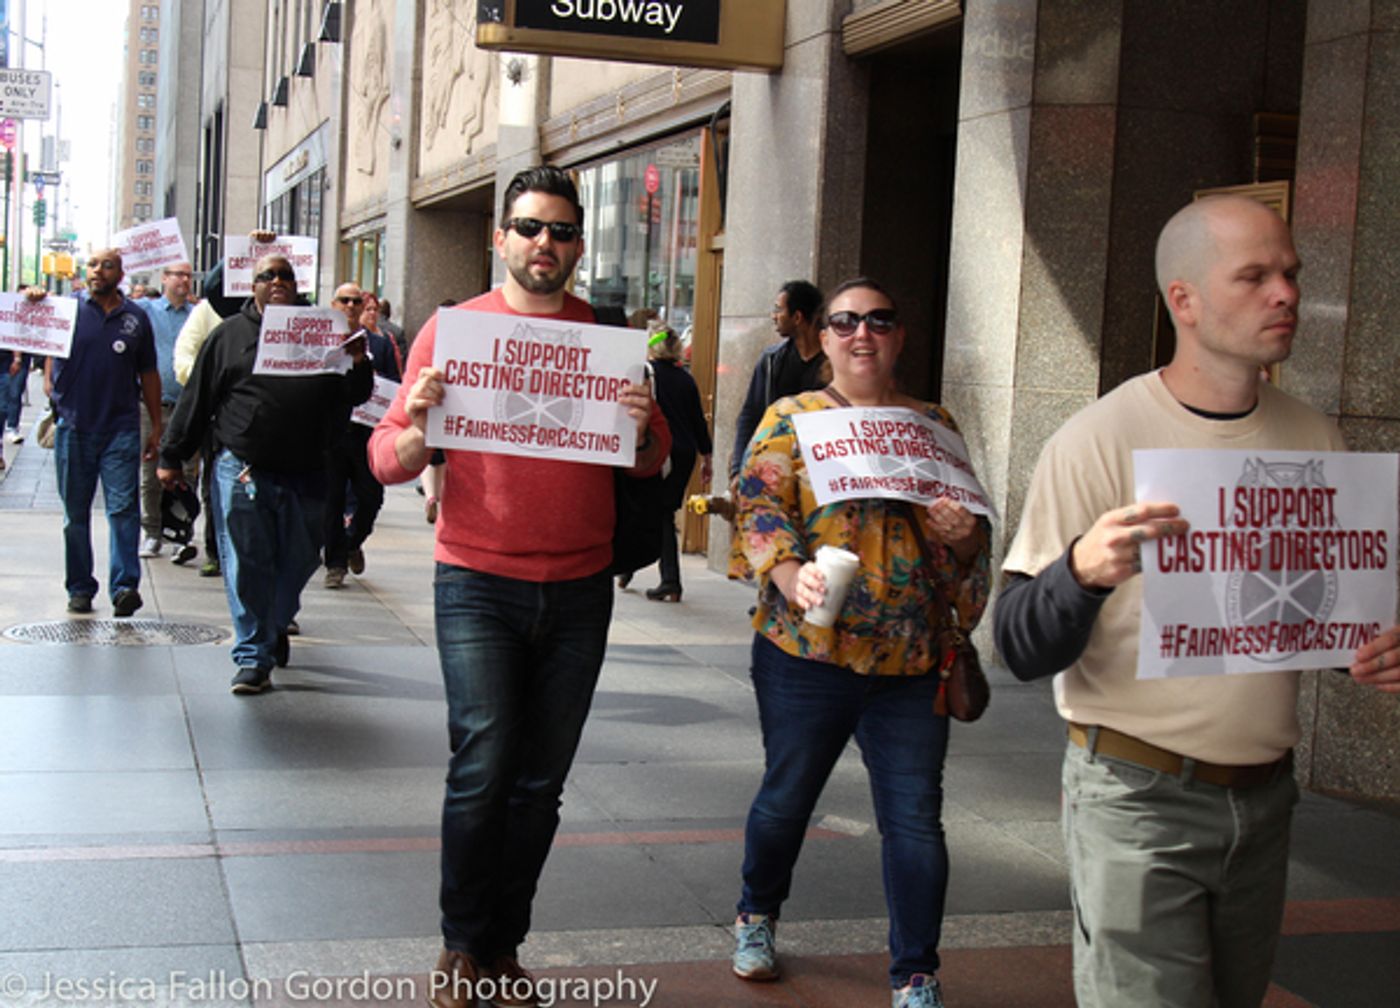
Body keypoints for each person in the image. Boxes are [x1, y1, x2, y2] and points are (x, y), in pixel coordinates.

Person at [993, 194, 1400, 1008]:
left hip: (1265, 798)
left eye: (1290, 273)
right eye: (1254, 276)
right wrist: (1080, 571)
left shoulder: (1318, 439)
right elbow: (1015, 644)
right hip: (1137, 800)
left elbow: (1341, 601)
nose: (1285, 293)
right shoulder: (1099, 439)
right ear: (1184, 300)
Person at [368, 165, 669, 1008]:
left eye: (563, 231)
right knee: (483, 764)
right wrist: (421, 427)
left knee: (541, 782)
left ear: (577, 245)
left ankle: (504, 947)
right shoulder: (452, 331)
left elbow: (652, 461)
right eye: (531, 228)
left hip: (580, 587)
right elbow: (386, 459)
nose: (547, 243)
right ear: (499, 238)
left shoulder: (610, 339)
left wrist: (646, 431)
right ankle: (461, 944)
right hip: (476, 581)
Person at [728, 277, 990, 1008]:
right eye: (845, 322)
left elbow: (972, 531)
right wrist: (788, 575)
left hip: (912, 663)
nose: (862, 334)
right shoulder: (792, 416)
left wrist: (966, 542)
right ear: (825, 336)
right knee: (787, 797)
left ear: (900, 335)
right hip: (806, 655)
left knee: (914, 818)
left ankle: (915, 973)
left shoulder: (933, 424)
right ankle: (757, 913)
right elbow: (758, 503)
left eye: (879, 319)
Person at [158, 254, 373, 694]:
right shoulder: (228, 337)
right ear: (251, 286)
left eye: (286, 275)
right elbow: (197, 398)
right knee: (246, 563)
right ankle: (253, 655)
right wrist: (172, 455)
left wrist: (358, 359)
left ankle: (274, 621)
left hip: (310, 471)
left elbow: (356, 395)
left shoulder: (326, 332)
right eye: (267, 275)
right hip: (243, 469)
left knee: (298, 560)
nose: (278, 281)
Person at [39, 249, 162, 617]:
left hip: (121, 429)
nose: (97, 271)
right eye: (92, 265)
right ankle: (79, 587)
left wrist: (155, 425)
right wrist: (50, 384)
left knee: (123, 510)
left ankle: (124, 586)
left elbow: (149, 374)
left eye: (106, 265)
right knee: (75, 514)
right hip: (74, 428)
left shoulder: (136, 318)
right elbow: (43, 341)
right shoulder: (66, 310)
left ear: (120, 273)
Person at [618, 324, 712, 601]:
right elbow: (697, 419)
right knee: (662, 511)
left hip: (661, 451)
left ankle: (668, 579)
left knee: (655, 513)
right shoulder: (686, 378)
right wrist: (707, 456)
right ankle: (630, 570)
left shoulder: (647, 373)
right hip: (685, 454)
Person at [322, 289, 400, 589]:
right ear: (334, 305)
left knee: (371, 497)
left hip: (368, 434)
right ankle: (335, 563)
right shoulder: (322, 340)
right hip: (332, 435)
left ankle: (352, 541)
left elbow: (394, 384)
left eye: (357, 301)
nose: (352, 306)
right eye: (345, 301)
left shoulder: (379, 344)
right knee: (332, 501)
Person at [729, 279, 825, 487]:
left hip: (821, 473)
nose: (773, 316)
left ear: (797, 317)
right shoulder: (771, 360)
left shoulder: (834, 364)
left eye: (778, 310)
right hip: (774, 473)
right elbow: (750, 414)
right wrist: (738, 469)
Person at [135, 262, 199, 562]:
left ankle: (181, 532)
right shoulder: (147, 311)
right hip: (153, 406)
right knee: (150, 472)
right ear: (164, 278)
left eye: (188, 275)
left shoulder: (197, 315)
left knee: (187, 473)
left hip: (188, 407)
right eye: (179, 274)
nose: (185, 280)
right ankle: (152, 532)